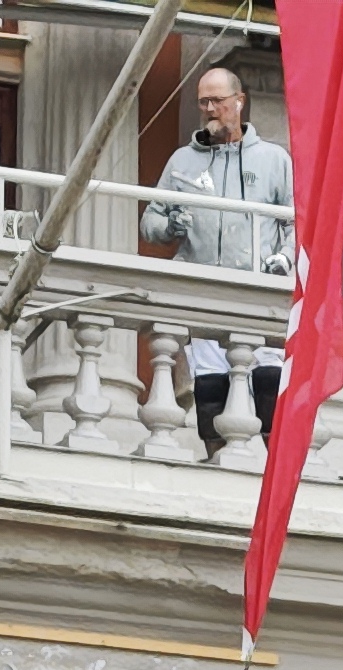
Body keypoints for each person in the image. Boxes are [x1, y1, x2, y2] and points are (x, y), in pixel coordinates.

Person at [140, 62, 291, 446]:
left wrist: (285, 257)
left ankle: (273, 477)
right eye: (203, 102)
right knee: (211, 389)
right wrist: (169, 227)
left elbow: (297, 222)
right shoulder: (181, 161)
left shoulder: (274, 160)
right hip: (203, 287)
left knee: (269, 384)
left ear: (239, 102)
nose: (209, 109)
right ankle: (216, 458)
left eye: (217, 101)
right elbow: (150, 223)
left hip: (258, 290)